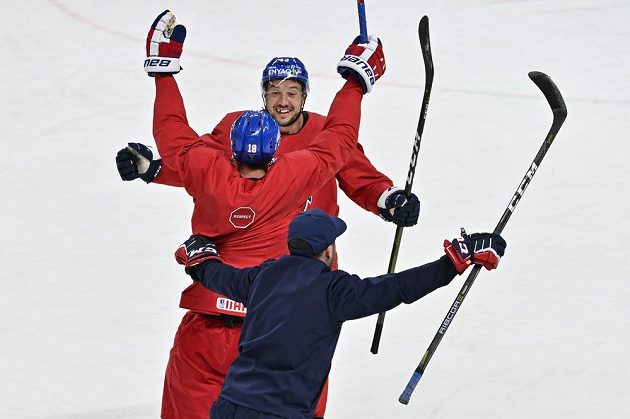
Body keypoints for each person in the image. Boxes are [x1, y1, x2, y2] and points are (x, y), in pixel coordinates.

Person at [116, 10, 418, 419]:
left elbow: (190, 159)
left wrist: (389, 199)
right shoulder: (301, 164)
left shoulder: (265, 140)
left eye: (291, 91)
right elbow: (339, 143)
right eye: (274, 91)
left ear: (305, 96)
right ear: (262, 96)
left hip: (256, 291)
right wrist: (356, 81)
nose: (282, 99)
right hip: (288, 305)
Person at [174, 209, 507, 418]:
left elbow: (219, 276)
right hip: (281, 412)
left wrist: (199, 260)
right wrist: (452, 262)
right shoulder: (334, 290)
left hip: (230, 404)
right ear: (329, 250)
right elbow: (397, 288)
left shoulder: (263, 276)